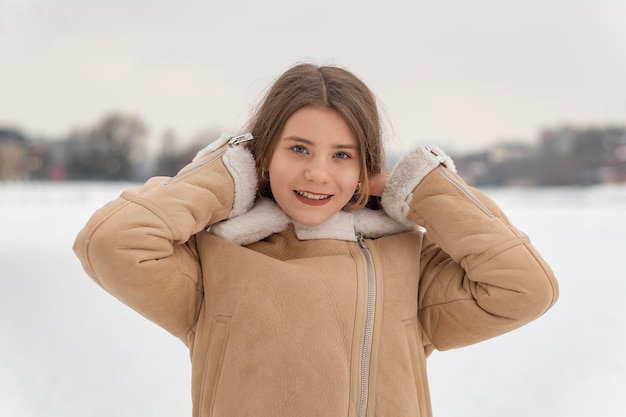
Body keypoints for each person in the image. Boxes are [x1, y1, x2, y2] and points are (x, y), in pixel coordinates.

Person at [73, 63, 558, 417]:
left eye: (342, 155)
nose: (318, 172)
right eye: (299, 148)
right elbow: (111, 243)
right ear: (264, 156)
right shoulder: (217, 258)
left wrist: (426, 190)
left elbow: (526, 289)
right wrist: (225, 174)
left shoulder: (404, 263)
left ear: (366, 167)